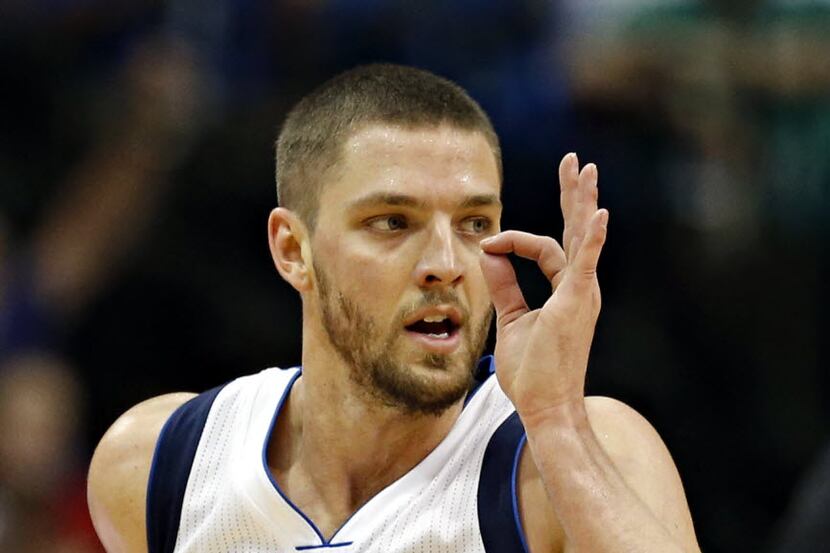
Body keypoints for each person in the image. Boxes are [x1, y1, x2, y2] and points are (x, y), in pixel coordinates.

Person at [87, 64, 701, 553]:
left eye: (474, 223)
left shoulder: (576, 455)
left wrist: (557, 423)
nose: (446, 261)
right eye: (392, 222)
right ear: (292, 250)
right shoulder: (158, 466)